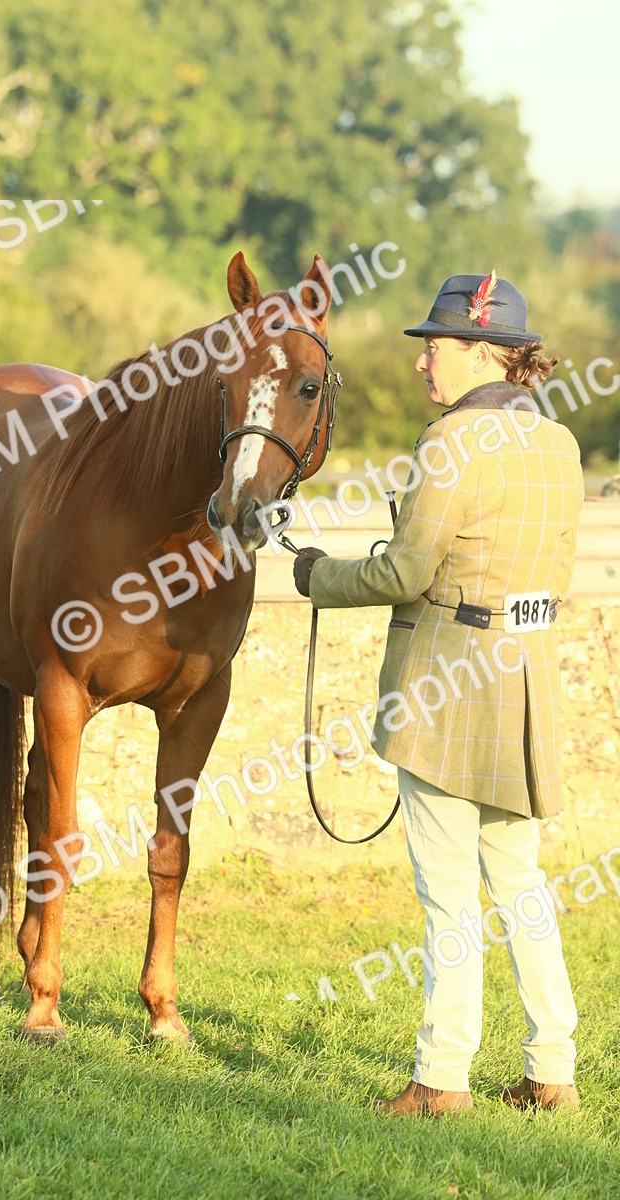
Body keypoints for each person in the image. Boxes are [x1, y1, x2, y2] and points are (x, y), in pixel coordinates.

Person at [293, 272, 584, 1117]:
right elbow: (552, 577)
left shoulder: (452, 441)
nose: (424, 362)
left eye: (438, 346)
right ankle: (552, 1070)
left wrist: (320, 576)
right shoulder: (558, 442)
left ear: (481, 351)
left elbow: (405, 572)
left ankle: (440, 1079)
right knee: (521, 883)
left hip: (448, 686)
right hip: (522, 675)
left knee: (450, 891)